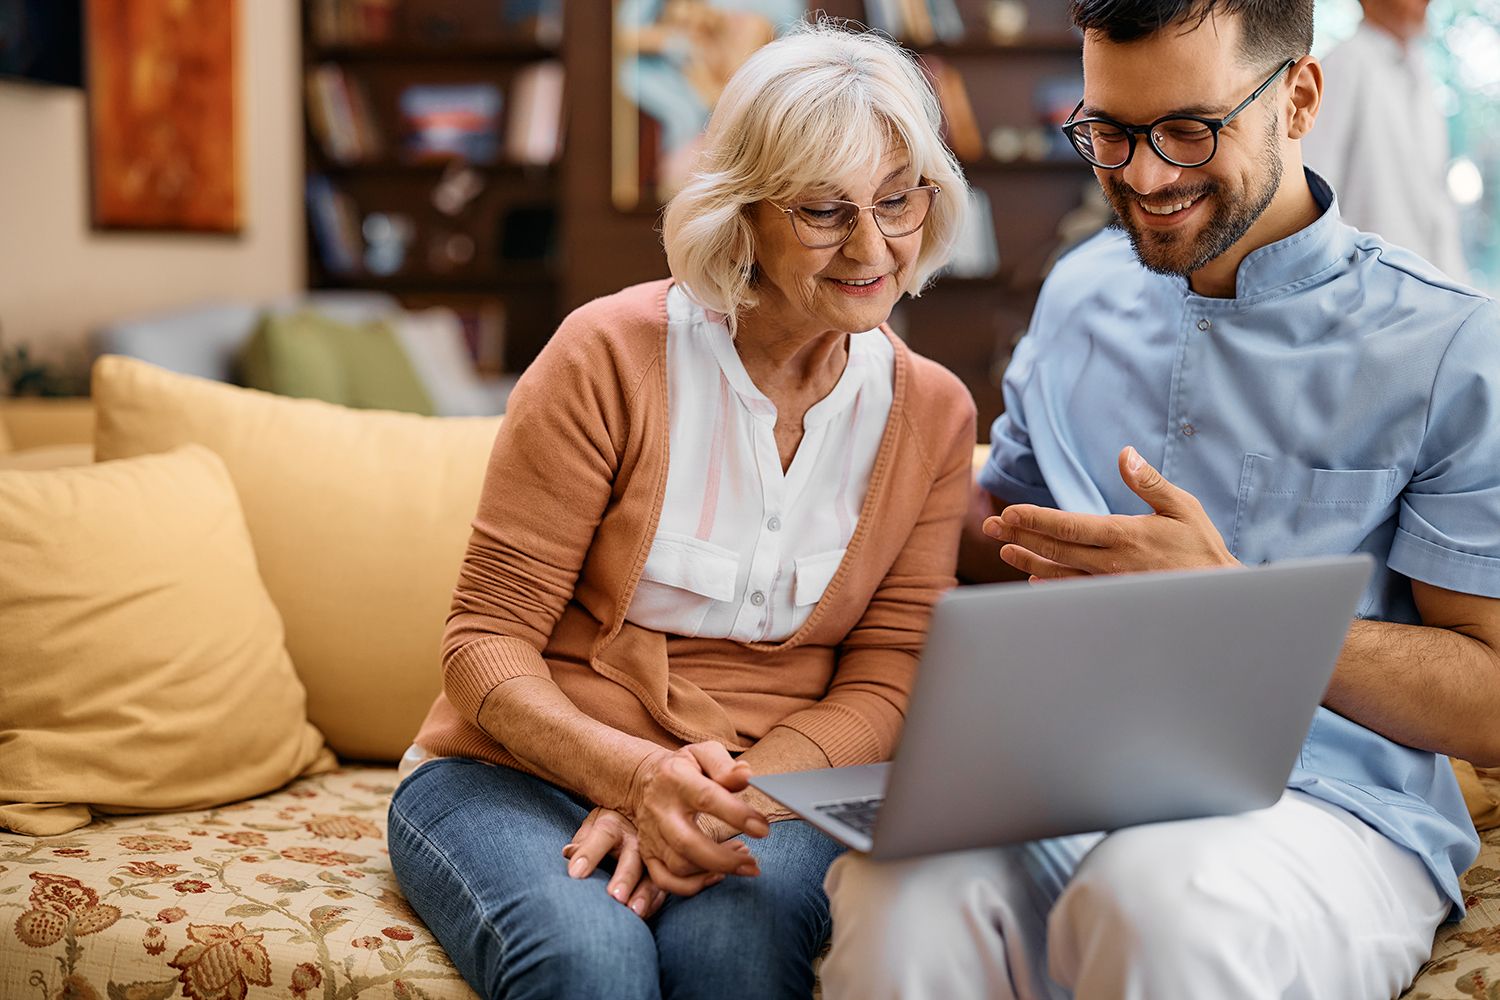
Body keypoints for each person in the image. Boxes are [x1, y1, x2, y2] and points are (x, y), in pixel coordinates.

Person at [821, 2, 1500, 998]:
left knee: (1152, 899)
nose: (1142, 176)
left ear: (1298, 98)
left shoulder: (1448, 346)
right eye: (1109, 133)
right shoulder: (1081, 289)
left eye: (1190, 130)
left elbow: (1488, 695)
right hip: (1064, 775)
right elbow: (1003, 528)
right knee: (897, 898)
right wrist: (857, 437)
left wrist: (1234, 610)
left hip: (1327, 804)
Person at [386, 22, 978, 1000]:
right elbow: (483, 642)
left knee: (735, 963)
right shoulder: (606, 357)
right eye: (826, 211)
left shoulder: (935, 413)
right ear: (743, 210)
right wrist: (630, 777)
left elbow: (889, 677)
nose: (873, 247)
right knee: (591, 962)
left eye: (897, 199)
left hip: (771, 787)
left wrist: (709, 799)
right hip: (516, 770)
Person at [1302, 0, 1467, 277]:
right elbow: (1314, 194)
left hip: (1427, 288)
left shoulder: (1420, 73)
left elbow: (1436, 209)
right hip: (1371, 293)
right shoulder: (1345, 65)